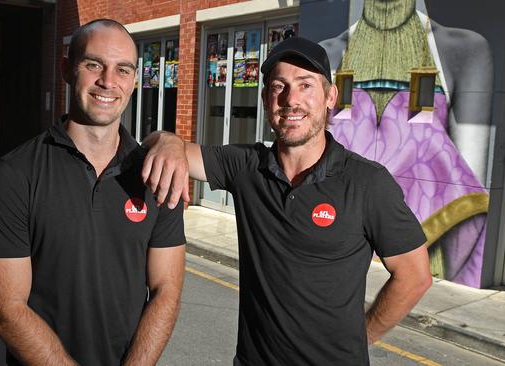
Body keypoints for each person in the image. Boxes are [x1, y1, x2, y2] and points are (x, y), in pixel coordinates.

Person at [142, 36, 432, 365]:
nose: (291, 100)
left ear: (330, 97)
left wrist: (361, 336)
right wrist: (165, 139)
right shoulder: (246, 166)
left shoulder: (367, 182)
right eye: (279, 86)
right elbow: (170, 148)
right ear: (266, 98)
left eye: (306, 85)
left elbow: (414, 275)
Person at [0, 18, 186, 366]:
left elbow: (166, 290)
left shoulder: (157, 175)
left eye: (122, 69)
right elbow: (6, 309)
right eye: (93, 65)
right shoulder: (16, 172)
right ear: (67, 70)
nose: (108, 81)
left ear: (134, 80)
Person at [319, 0, 492, 286]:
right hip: (335, 233)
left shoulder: (462, 50)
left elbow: (471, 189)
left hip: (424, 243)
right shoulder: (329, 52)